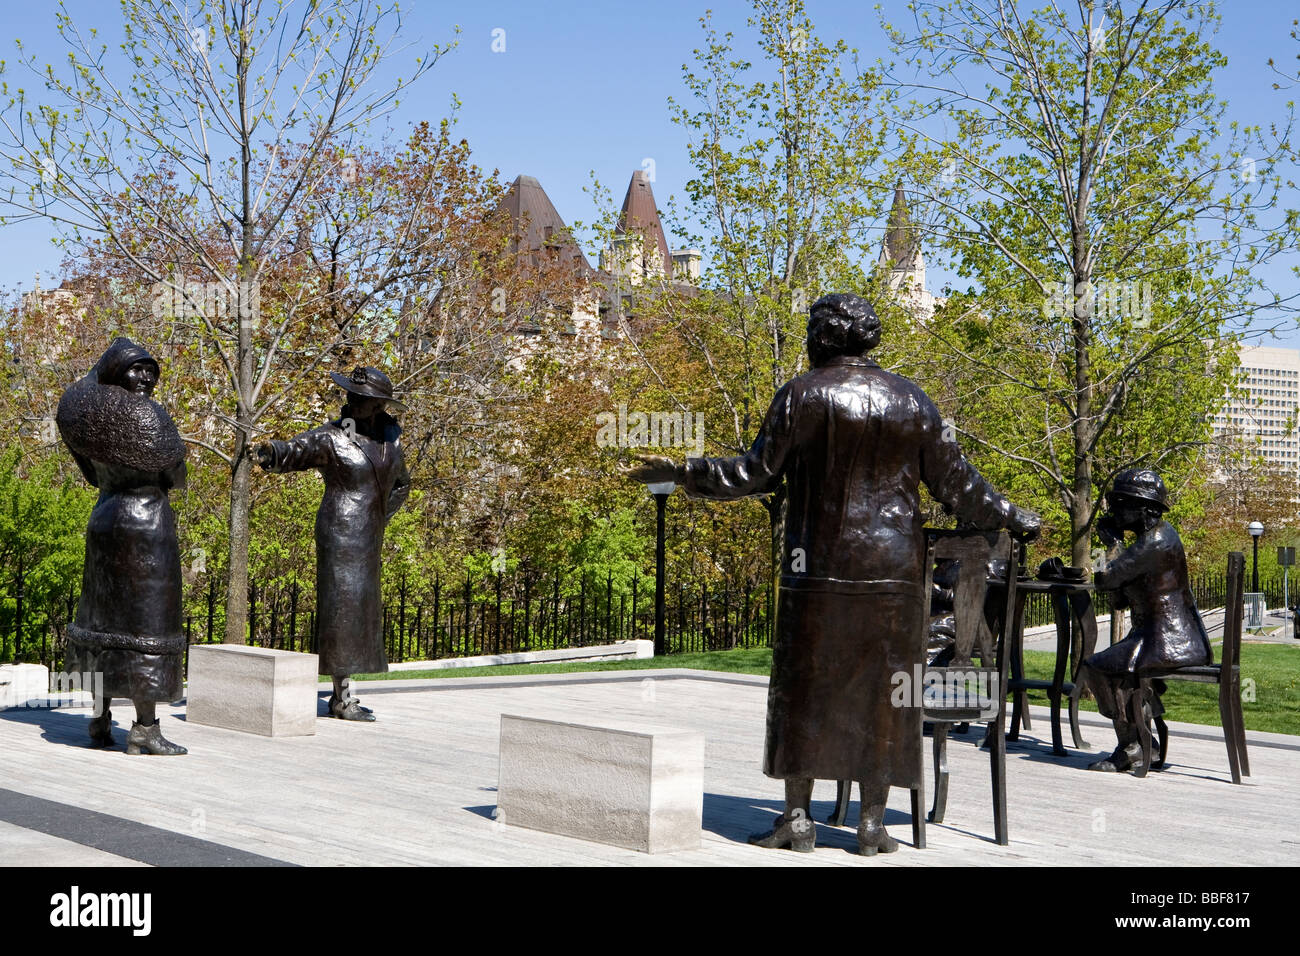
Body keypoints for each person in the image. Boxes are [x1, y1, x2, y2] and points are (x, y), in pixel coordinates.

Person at [623, 293, 1039, 855]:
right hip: (892, 573)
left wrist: (686, 472)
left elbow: (754, 472)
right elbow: (959, 485)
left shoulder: (802, 394)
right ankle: (872, 824)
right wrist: (1015, 516)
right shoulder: (912, 400)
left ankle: (797, 818)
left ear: (823, 335)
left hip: (816, 570)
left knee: (803, 688)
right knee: (888, 693)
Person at [255, 366, 411, 721]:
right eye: (351, 396)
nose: (352, 402)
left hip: (369, 536)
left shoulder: (390, 440)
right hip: (339, 533)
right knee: (342, 614)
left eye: (362, 399)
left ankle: (344, 694)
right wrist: (270, 452)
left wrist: (378, 516)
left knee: (361, 614)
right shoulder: (334, 437)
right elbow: (297, 449)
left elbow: (402, 484)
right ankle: (343, 698)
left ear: (379, 405)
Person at [57, 338, 189, 755]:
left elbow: (90, 473)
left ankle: (99, 720)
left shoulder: (87, 416)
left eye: (151, 369)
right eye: (137, 368)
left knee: (103, 618)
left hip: (105, 519)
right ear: (116, 371)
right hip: (146, 528)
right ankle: (145, 729)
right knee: (145, 624)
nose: (146, 376)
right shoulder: (148, 416)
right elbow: (176, 474)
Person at [1079, 468, 1211, 772]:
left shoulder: (1157, 540)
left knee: (1097, 668)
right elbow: (1117, 593)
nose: (1115, 511)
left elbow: (1105, 579)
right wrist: (1113, 555)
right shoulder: (1148, 539)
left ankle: (1133, 747)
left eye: (1122, 504)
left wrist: (1109, 542)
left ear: (1145, 508)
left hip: (1169, 639)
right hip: (1155, 636)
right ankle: (1140, 739)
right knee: (1114, 669)